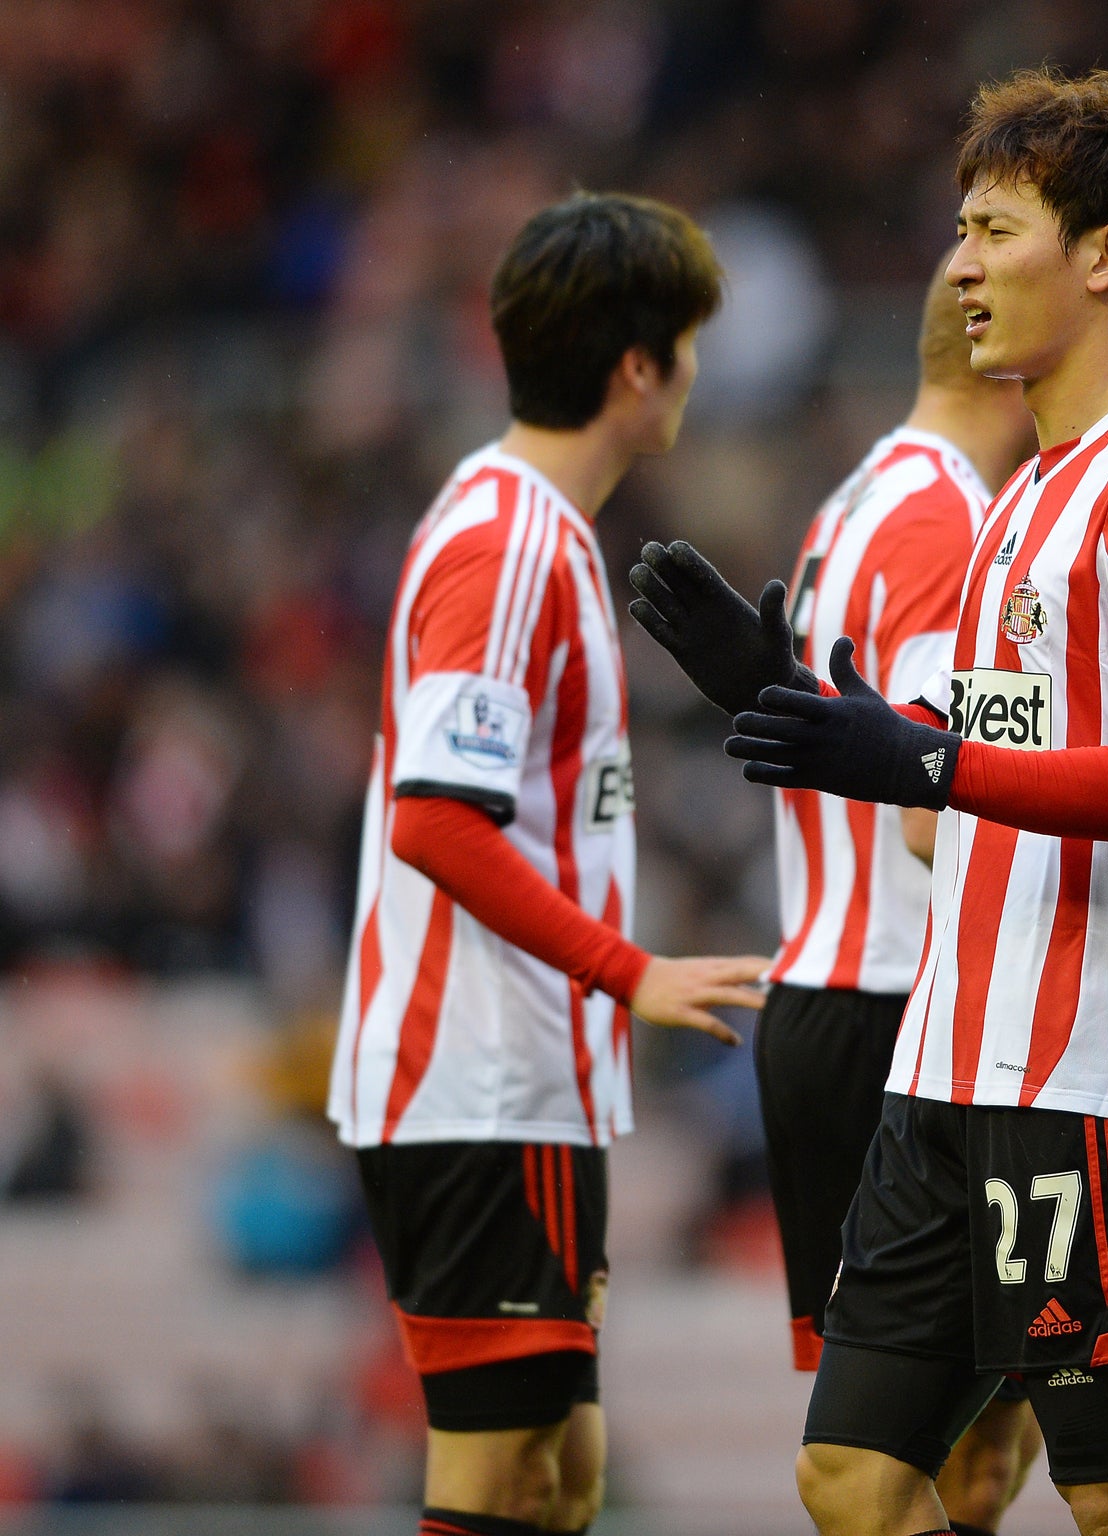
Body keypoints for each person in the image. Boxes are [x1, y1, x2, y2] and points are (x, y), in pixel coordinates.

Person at [629, 67, 1108, 1536]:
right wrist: (795, 703)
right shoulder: (1023, 503)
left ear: (1104, 254)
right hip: (945, 1063)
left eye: (992, 228)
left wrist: (910, 756)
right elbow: (950, 797)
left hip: (1091, 1068)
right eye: (959, 232)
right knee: (853, 1479)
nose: (960, 266)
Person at [326, 192, 770, 1536]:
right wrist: (627, 970)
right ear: (639, 366)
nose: (696, 370)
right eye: (688, 343)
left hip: (530, 1078)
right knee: (503, 1470)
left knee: (567, 1467)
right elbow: (436, 820)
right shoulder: (507, 542)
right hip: (475, 1077)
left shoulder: (536, 531)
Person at [640, 258, 1043, 1535]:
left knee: (942, 1459)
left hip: (827, 993)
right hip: (897, 1013)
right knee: (928, 1461)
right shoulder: (944, 524)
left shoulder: (860, 499)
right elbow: (932, 800)